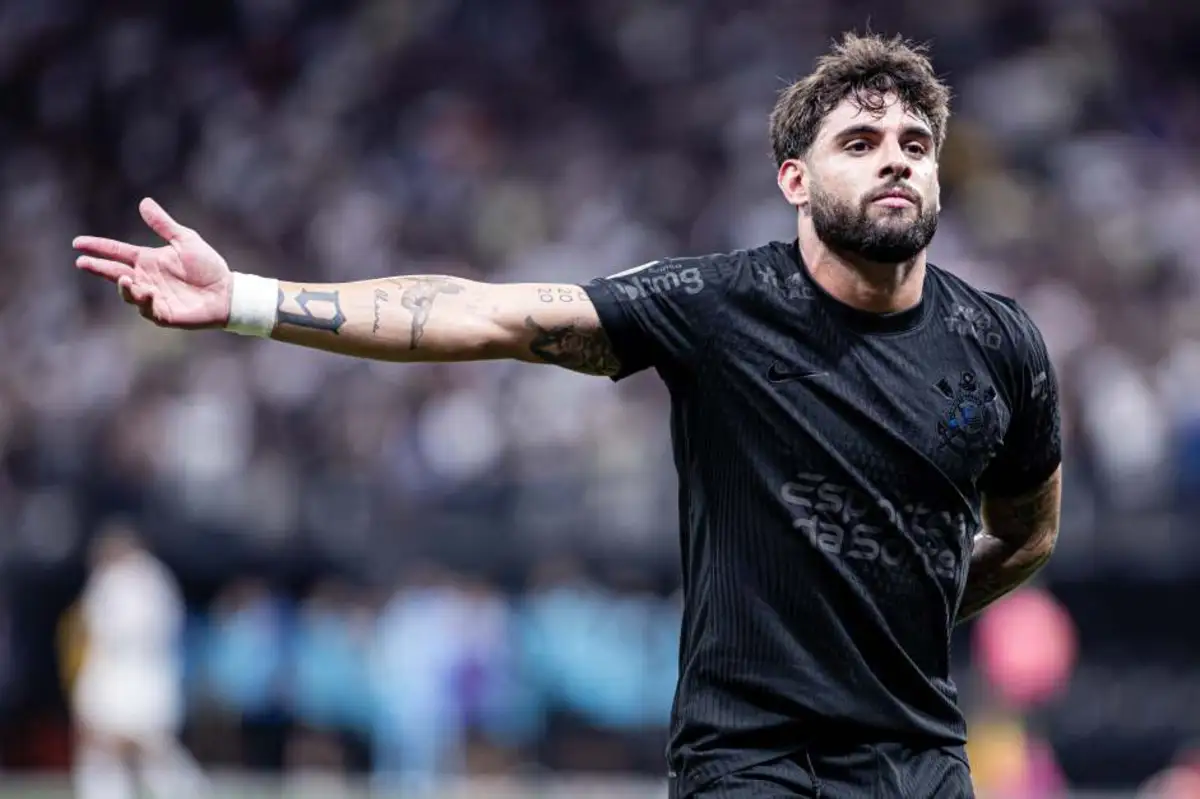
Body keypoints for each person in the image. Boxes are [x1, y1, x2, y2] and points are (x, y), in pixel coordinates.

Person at [73, 32, 1062, 799]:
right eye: (860, 141)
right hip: (754, 763)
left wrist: (904, 611)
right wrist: (247, 296)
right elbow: (484, 313)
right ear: (794, 181)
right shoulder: (719, 306)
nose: (896, 161)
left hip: (922, 761)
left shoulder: (1002, 345)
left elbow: (1028, 535)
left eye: (915, 144)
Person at [69, 521, 205, 799]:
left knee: (142, 749)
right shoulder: (151, 579)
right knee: (120, 751)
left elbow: (110, 633)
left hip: (131, 677)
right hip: (136, 676)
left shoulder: (129, 580)